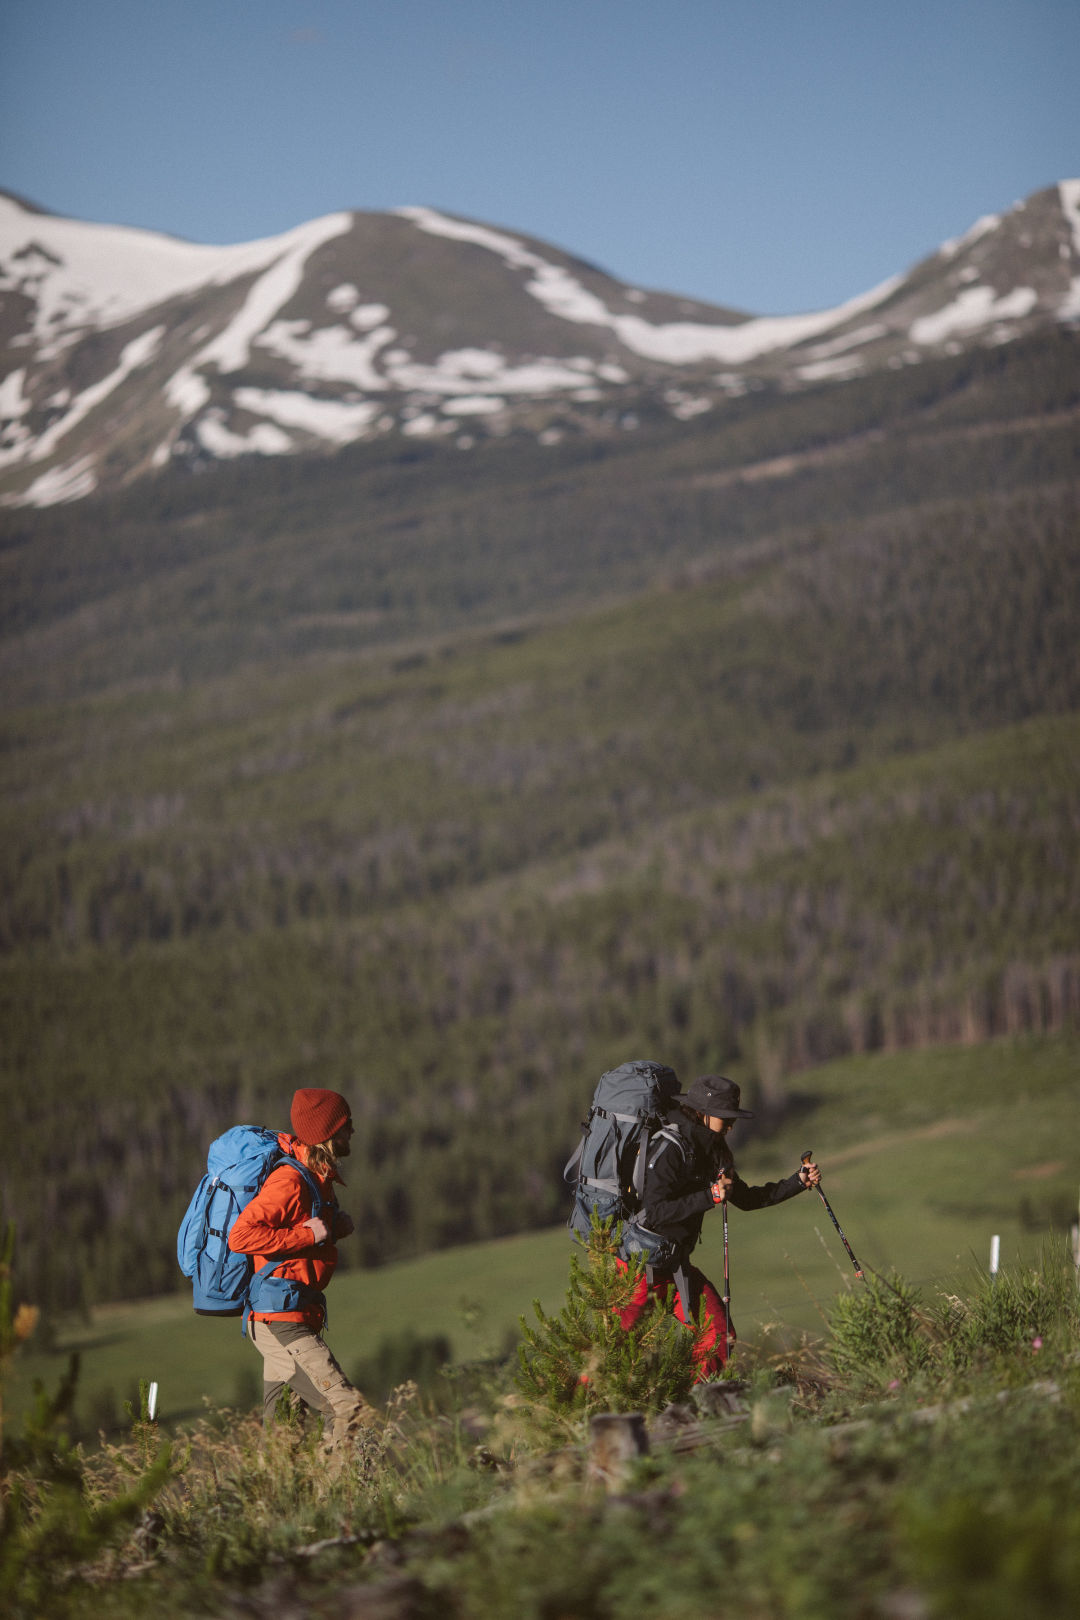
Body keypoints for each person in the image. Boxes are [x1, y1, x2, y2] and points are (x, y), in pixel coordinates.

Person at [617, 1073, 820, 1379]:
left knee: (721, 1338)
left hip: (675, 1266)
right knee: (615, 1352)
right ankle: (572, 1411)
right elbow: (654, 1213)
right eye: (725, 1118)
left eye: (732, 1118)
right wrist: (708, 1196)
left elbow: (749, 1199)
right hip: (638, 1270)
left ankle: (689, 1408)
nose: (731, 1125)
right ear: (702, 1112)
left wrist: (798, 1181)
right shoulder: (669, 1149)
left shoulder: (714, 1153)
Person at [229, 1086, 377, 1450]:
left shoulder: (317, 1178)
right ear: (327, 1134)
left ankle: (270, 1503)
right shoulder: (290, 1180)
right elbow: (240, 1236)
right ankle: (337, 1503)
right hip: (279, 1319)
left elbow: (304, 1237)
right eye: (347, 1124)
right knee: (347, 1410)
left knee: (283, 1434)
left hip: (290, 1313)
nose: (353, 1131)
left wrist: (331, 1231)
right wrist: (305, 1236)